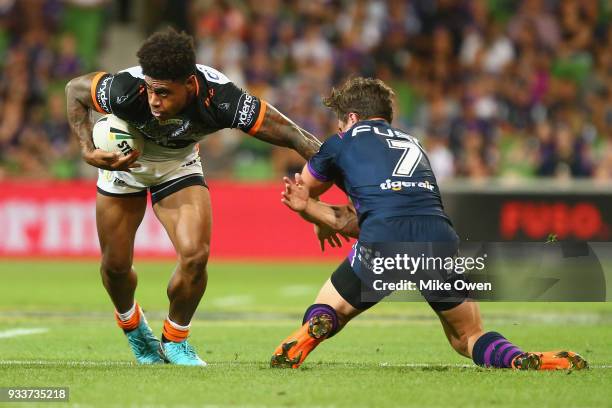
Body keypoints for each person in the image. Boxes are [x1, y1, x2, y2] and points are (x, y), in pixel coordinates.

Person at [270, 77, 587, 371]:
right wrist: (326, 216)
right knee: (467, 336)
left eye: (341, 121)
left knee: (331, 307)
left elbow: (304, 189)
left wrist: (313, 213)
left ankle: (316, 327)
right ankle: (518, 358)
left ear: (351, 118)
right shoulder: (414, 142)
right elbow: (390, 209)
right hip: (439, 237)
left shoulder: (341, 142)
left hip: (384, 238)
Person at [65, 27, 321, 366]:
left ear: (189, 84)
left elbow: (292, 134)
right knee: (115, 267)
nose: (154, 101)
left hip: (177, 166)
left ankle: (175, 339)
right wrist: (86, 150)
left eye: (164, 93)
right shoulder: (127, 89)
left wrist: (340, 185)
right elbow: (74, 91)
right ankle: (132, 324)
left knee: (195, 256)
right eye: (150, 90)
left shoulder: (222, 99)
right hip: (123, 167)